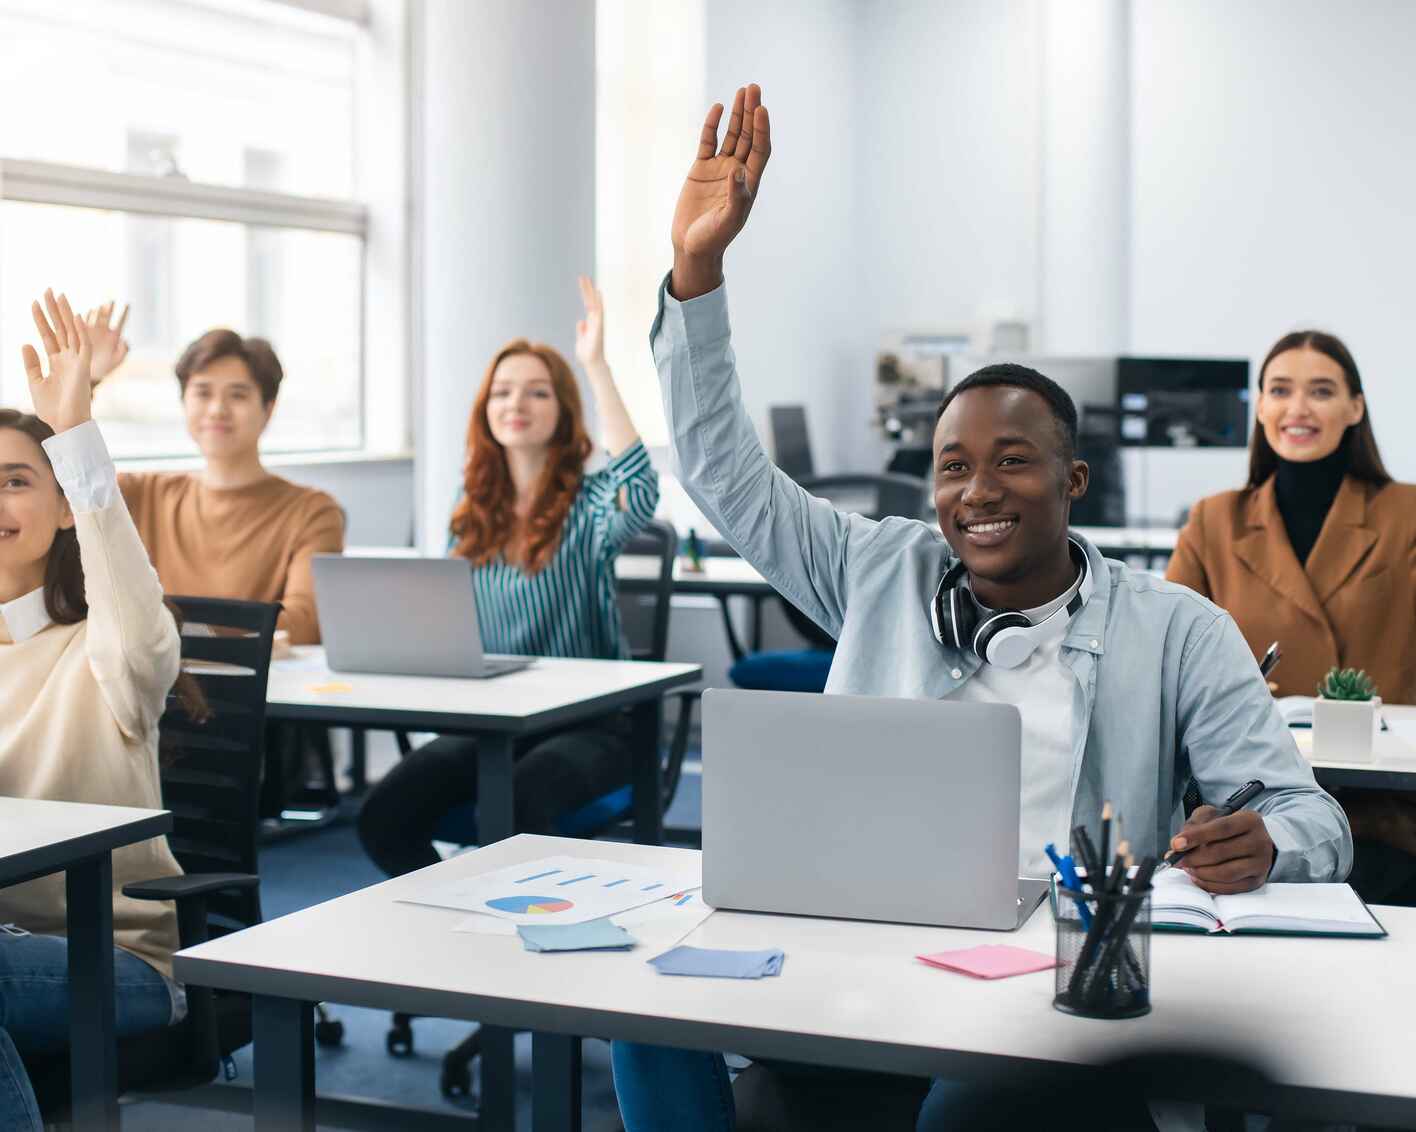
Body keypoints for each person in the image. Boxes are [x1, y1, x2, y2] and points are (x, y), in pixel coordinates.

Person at [609, 84, 1352, 1132]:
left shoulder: (1176, 628)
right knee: (644, 1019)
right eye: (955, 466)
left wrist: (1268, 844)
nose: (978, 491)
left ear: (1074, 481)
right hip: (861, 954)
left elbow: (1310, 813)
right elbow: (725, 475)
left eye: (1014, 461)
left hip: (1047, 996)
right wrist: (699, 269)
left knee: (966, 1110)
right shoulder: (878, 569)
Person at [357, 277, 659, 874]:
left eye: (537, 393)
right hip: (495, 723)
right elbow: (446, 620)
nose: (515, 405)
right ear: (485, 409)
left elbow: (640, 488)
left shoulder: (591, 504)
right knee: (382, 816)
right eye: (502, 392)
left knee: (518, 801)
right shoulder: (472, 511)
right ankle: (459, 923)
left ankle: (530, 936)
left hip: (590, 725)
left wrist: (595, 365)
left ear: (563, 410)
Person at [1, 291, 205, 1131]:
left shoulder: (107, 652)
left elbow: (131, 612)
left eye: (15, 482)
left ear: (60, 507)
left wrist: (77, 434)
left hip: (115, 961)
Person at [1166, 331, 1416, 904]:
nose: (1298, 408)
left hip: (1384, 812)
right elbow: (1166, 660)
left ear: (1355, 408)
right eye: (1280, 390)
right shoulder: (1214, 521)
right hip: (1245, 812)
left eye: (1321, 391)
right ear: (1259, 406)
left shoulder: (1407, 515)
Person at [84, 304, 344, 645]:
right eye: (202, 393)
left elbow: (303, 625)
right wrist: (86, 381)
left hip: (253, 691)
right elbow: (46, 478)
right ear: (184, 403)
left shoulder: (313, 511)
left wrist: (166, 626)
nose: (217, 409)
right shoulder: (142, 493)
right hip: (153, 686)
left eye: (238, 395)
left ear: (268, 409)